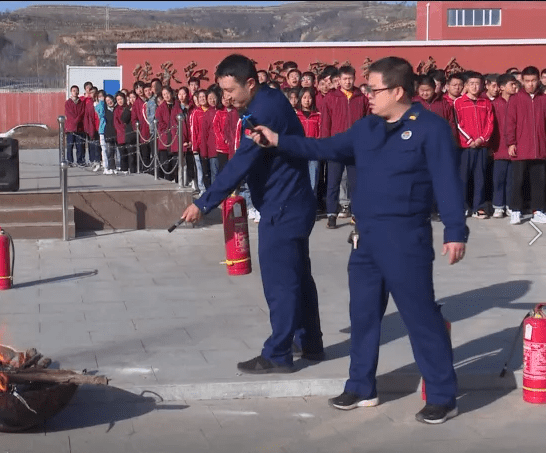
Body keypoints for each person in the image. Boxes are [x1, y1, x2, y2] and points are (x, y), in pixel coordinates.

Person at [251, 56, 467, 425]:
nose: (368, 94)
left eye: (374, 88)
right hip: (365, 240)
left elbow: (448, 182)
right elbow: (324, 147)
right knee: (363, 315)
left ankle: (444, 397)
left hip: (406, 240)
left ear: (398, 91)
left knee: (420, 317)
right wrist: (277, 140)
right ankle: (361, 386)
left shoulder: (430, 129)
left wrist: (454, 232)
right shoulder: (366, 128)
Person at [180, 53, 324, 374]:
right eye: (222, 92)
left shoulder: (265, 111)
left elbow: (242, 161)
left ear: (250, 82)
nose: (226, 98)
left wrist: (204, 203)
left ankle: (278, 353)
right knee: (298, 276)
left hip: (283, 207)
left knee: (280, 282)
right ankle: (310, 341)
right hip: (293, 202)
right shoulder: (266, 100)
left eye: (230, 91)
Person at [321, 65, 368, 228]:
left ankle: (357, 214)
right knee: (333, 182)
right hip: (336, 146)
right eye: (344, 79)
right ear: (339, 80)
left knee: (356, 183)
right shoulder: (331, 97)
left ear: (354, 79)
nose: (348, 82)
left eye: (350, 79)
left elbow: (367, 122)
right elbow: (325, 123)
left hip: (355, 147)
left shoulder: (361, 98)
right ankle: (332, 215)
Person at [505, 66, 546, 225]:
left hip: (540, 148)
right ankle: (516, 210)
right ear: (522, 81)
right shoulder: (515, 99)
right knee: (518, 181)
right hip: (520, 147)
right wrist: (511, 143)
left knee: (539, 182)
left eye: (534, 81)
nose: (530, 84)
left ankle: (538, 211)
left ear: (539, 80)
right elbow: (510, 123)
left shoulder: (543, 99)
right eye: (527, 81)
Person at [454, 71, 494, 219]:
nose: (475, 86)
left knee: (480, 177)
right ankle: (463, 206)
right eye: (471, 84)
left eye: (478, 83)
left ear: (483, 85)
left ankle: (479, 207)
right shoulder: (458, 102)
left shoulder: (486, 102)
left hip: (482, 146)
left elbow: (491, 123)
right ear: (466, 86)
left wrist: (482, 139)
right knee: (463, 177)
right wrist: (469, 140)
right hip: (465, 147)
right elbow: (457, 124)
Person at [489, 74, 517, 218]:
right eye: (511, 84)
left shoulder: (518, 102)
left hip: (515, 147)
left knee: (512, 179)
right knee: (498, 179)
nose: (515, 87)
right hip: (498, 147)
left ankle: (511, 206)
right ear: (501, 87)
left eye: (515, 84)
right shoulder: (494, 104)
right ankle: (498, 206)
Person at [296, 87, 321, 196]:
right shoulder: (295, 116)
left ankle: (311, 206)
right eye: (304, 97)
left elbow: (320, 134)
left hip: (313, 152)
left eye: (309, 98)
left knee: (313, 180)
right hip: (298, 151)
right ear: (300, 99)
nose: (307, 100)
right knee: (299, 180)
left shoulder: (318, 116)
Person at [64, 85, 86, 166]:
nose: (75, 92)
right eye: (74, 90)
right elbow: (69, 113)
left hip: (80, 127)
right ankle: (70, 161)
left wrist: (78, 119)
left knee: (80, 145)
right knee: (70, 145)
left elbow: (82, 112)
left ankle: (80, 160)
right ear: (71, 92)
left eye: (76, 90)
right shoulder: (68, 103)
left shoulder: (81, 102)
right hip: (70, 127)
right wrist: (74, 120)